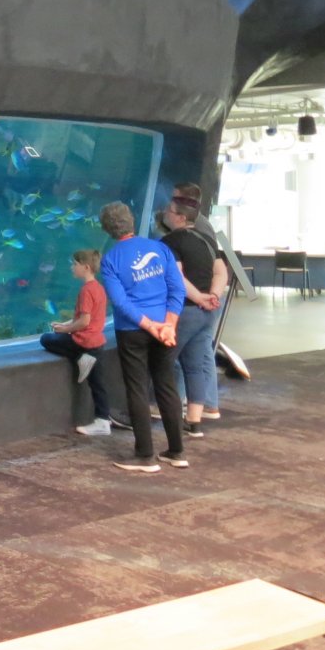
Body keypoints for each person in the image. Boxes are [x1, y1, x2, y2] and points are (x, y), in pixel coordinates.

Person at [98, 201, 187, 472]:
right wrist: (168, 325)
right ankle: (176, 452)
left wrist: (149, 325)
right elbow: (177, 289)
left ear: (106, 229)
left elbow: (120, 302)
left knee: (137, 388)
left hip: (133, 331)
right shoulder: (160, 248)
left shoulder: (110, 259)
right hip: (165, 329)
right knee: (166, 385)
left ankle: (145, 455)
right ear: (132, 221)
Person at [161, 194, 227, 437]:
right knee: (195, 365)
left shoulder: (169, 241)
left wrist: (198, 297)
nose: (165, 213)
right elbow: (221, 272)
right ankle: (194, 421)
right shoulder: (207, 240)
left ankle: (160, 410)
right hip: (207, 312)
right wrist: (213, 296)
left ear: (179, 217)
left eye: (169, 210)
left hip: (185, 310)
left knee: (163, 362)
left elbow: (176, 276)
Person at [39, 249, 112, 435]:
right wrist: (65, 324)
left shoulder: (86, 291)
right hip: (96, 342)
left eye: (75, 264)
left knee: (46, 339)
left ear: (86, 267)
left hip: (82, 342)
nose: (72, 267)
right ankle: (103, 420)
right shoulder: (98, 288)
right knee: (98, 384)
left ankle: (80, 357)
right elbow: (88, 318)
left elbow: (84, 321)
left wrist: (65, 330)